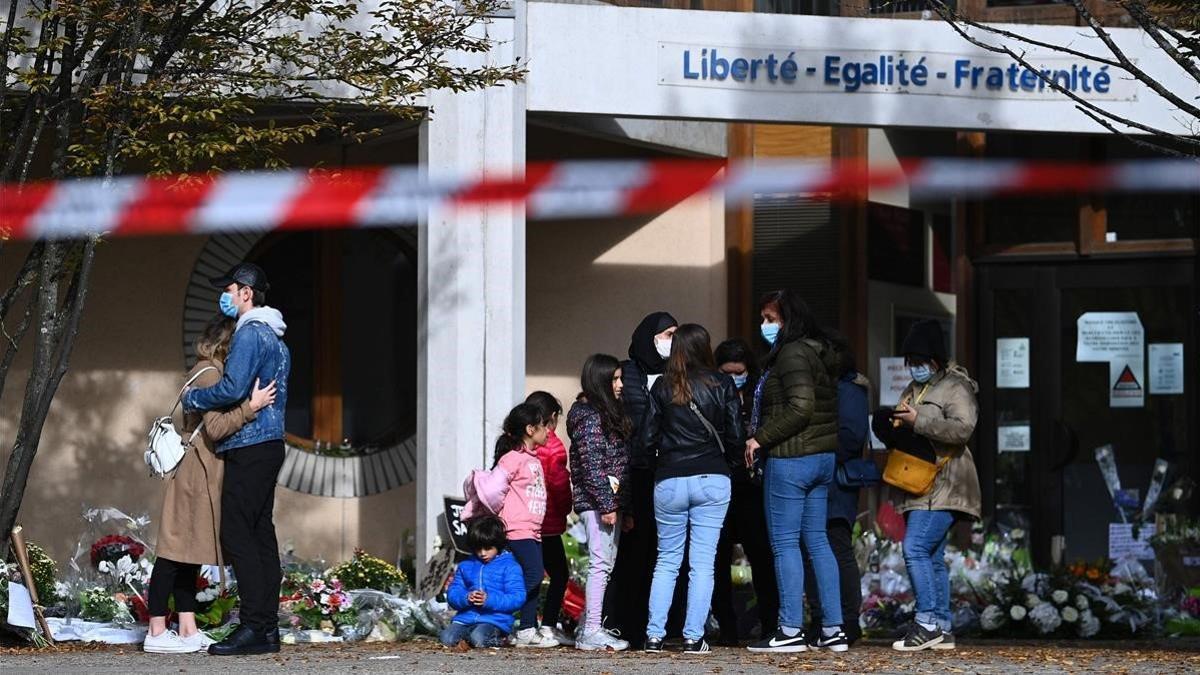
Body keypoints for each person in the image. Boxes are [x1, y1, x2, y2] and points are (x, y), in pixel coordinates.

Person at [143, 317, 277, 654]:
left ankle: (187, 629)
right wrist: (252, 407)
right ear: (227, 346)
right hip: (195, 473)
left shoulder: (205, 369)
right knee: (173, 553)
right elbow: (215, 428)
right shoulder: (213, 374)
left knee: (188, 552)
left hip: (197, 472)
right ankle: (156, 629)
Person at [183, 262, 290, 657]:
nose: (223, 297)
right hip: (269, 444)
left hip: (250, 445)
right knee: (261, 535)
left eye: (227, 290)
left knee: (238, 534)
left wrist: (193, 398)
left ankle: (252, 628)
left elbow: (231, 388)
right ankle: (266, 629)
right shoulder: (277, 338)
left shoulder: (250, 335)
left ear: (246, 292)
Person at [744, 290, 850, 653]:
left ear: (789, 320)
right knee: (817, 541)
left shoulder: (791, 354)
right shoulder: (820, 354)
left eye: (771, 319)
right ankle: (833, 628)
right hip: (821, 459)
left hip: (791, 458)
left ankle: (790, 629)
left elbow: (800, 406)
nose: (764, 326)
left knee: (785, 544)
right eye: (763, 319)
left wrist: (760, 438)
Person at [638, 325, 743, 655]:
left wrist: (660, 466)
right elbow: (736, 435)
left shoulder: (661, 387)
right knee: (702, 563)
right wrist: (732, 463)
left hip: (669, 479)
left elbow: (646, 440)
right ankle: (693, 636)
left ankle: (654, 636)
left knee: (666, 561)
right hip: (712, 478)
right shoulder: (722, 383)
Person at [885, 320, 981, 652]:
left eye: (920, 359)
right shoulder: (913, 388)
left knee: (914, 548)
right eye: (910, 360)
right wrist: (893, 424)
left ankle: (925, 623)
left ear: (935, 359)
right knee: (933, 555)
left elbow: (963, 429)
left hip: (947, 482)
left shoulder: (957, 387)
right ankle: (941, 626)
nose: (914, 366)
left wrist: (918, 421)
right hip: (918, 482)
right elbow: (907, 426)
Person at [606, 312, 677, 648]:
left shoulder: (678, 374)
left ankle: (662, 626)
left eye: (676, 334)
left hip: (668, 472)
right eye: (666, 333)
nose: (671, 340)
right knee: (633, 550)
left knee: (665, 552)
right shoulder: (627, 373)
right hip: (633, 471)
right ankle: (623, 622)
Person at [711, 338, 778, 644]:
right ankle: (726, 626)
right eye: (727, 372)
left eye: (739, 372)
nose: (734, 378)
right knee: (717, 558)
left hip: (752, 485)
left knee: (761, 557)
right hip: (721, 481)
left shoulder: (759, 393)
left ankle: (770, 623)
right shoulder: (711, 392)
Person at [803, 333, 869, 646]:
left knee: (837, 547)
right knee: (816, 551)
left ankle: (846, 618)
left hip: (836, 482)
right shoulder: (830, 388)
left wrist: (814, 450)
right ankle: (822, 617)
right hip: (823, 478)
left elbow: (852, 436)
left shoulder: (849, 389)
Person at [567, 354, 632, 652]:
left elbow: (619, 464)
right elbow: (593, 466)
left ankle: (589, 626)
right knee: (600, 564)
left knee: (605, 565)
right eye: (614, 379)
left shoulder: (607, 414)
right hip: (597, 504)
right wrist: (607, 504)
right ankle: (592, 629)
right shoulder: (590, 418)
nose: (620, 385)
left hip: (610, 503)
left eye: (620, 378)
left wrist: (623, 507)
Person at [483, 403, 556, 648]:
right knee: (534, 574)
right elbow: (493, 490)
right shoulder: (513, 458)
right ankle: (497, 611)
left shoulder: (532, 459)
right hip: (517, 530)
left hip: (533, 530)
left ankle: (526, 629)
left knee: (533, 577)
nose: (548, 430)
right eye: (544, 425)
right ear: (529, 428)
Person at [526, 391, 574, 646]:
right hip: (548, 523)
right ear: (552, 417)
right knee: (559, 574)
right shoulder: (553, 446)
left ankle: (527, 624)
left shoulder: (519, 442)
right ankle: (547, 625)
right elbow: (559, 485)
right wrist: (566, 509)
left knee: (529, 574)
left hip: (525, 524)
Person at [441, 515, 528, 649]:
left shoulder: (510, 566)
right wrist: (466, 597)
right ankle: (470, 639)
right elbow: (453, 593)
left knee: (479, 638)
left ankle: (501, 639)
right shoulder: (466, 565)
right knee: (447, 639)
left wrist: (489, 600)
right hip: (465, 619)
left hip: (495, 620)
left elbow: (517, 597)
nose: (482, 553)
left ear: (498, 545)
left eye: (488, 548)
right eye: (478, 549)